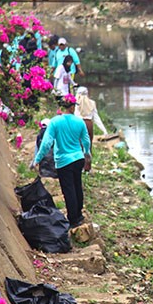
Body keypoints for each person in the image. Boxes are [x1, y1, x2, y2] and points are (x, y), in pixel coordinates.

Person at [32, 96, 92, 227]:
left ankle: (73, 219)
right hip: (78, 158)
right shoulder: (79, 122)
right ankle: (78, 214)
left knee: (68, 189)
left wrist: (37, 159)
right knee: (77, 186)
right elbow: (86, 140)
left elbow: (46, 143)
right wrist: (87, 154)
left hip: (63, 161)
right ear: (71, 107)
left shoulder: (55, 122)